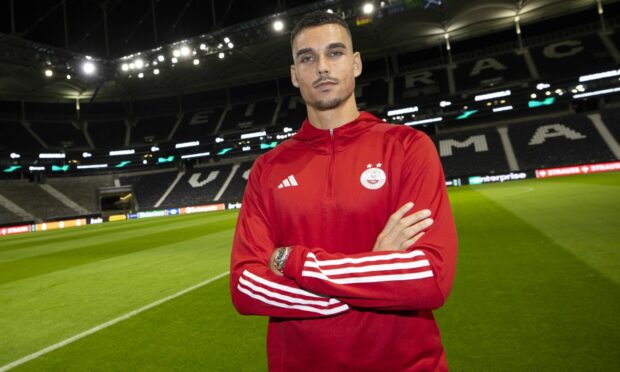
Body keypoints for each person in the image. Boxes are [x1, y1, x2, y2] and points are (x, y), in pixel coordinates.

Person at [230, 10, 457, 371]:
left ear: (356, 64)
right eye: (307, 57)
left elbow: (428, 277)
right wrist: (377, 268)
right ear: (294, 74)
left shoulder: (408, 147)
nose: (321, 67)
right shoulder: (267, 169)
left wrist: (292, 260)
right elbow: (245, 286)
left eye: (334, 53)